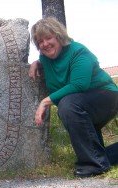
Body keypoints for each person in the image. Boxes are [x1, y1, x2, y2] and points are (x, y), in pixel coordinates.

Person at [29, 17, 118, 178]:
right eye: (40, 41)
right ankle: (99, 161)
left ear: (59, 36)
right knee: (96, 151)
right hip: (81, 103)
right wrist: (36, 62)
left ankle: (94, 165)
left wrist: (45, 102)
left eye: (48, 38)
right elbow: (53, 66)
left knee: (67, 105)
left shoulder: (78, 51)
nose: (45, 44)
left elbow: (79, 84)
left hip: (105, 96)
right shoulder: (45, 59)